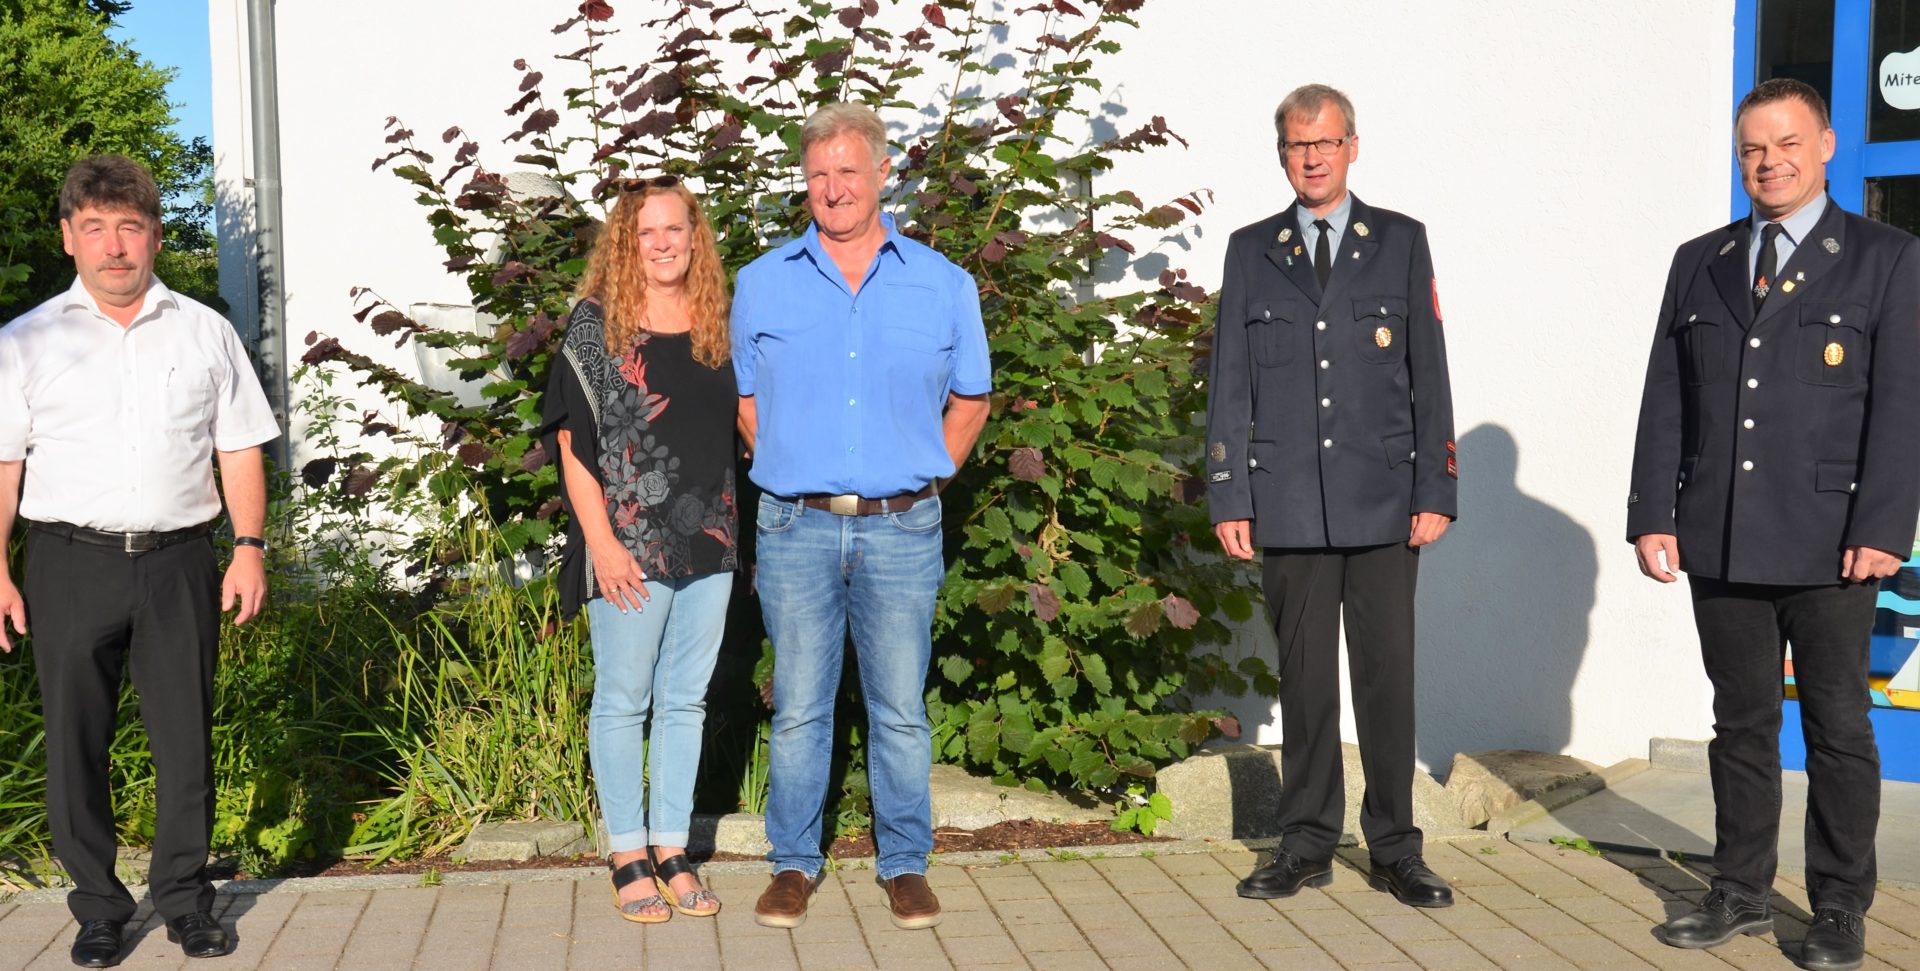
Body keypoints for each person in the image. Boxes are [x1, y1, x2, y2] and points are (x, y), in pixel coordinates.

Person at [1628, 77, 1920, 971]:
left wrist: (1884, 525)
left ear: (1826, 146)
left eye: (1787, 144)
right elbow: (1668, 394)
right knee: (1741, 724)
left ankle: (1838, 906)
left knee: (1837, 727)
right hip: (1720, 532)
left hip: (1836, 541)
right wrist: (1653, 511)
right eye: (1753, 147)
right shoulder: (1702, 258)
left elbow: (1902, 406)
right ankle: (1740, 890)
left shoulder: (1886, 257)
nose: (1770, 162)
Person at [0, 155, 280, 967]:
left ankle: (188, 902)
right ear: (68, 238)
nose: (114, 246)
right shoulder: (25, 342)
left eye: (129, 227)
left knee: (184, 739)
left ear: (154, 234)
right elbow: (5, 466)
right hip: (66, 561)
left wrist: (249, 548)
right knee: (74, 742)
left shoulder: (205, 331)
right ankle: (96, 909)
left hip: (179, 563)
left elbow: (238, 447)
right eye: (95, 228)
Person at [731, 102, 991, 931]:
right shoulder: (762, 281)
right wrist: (799, 469)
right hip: (795, 527)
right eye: (818, 174)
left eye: (848, 170)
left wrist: (922, 477)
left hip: (903, 527)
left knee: (899, 707)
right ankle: (793, 864)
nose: (833, 187)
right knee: (802, 704)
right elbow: (744, 401)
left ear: (883, 173)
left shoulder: (943, 283)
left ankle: (905, 862)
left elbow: (972, 401)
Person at [1204, 84, 1458, 909]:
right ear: (1282, 154)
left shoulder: (1401, 243)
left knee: (1387, 681)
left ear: (1353, 146)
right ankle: (1305, 841)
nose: (1311, 159)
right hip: (1288, 504)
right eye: (1296, 146)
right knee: (1306, 683)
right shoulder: (1252, 250)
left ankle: (1395, 847)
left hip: (1385, 502)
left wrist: (1437, 486)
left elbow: (1429, 378)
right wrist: (1229, 492)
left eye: (1324, 143)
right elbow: (1229, 385)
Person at [542, 176, 739, 923]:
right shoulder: (595, 325)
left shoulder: (715, 318)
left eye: (674, 229)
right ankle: (627, 852)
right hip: (626, 544)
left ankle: (671, 847)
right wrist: (603, 543)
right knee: (624, 701)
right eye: (645, 232)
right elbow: (573, 442)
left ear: (696, 237)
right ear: (626, 243)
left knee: (686, 698)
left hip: (711, 541)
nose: (662, 244)